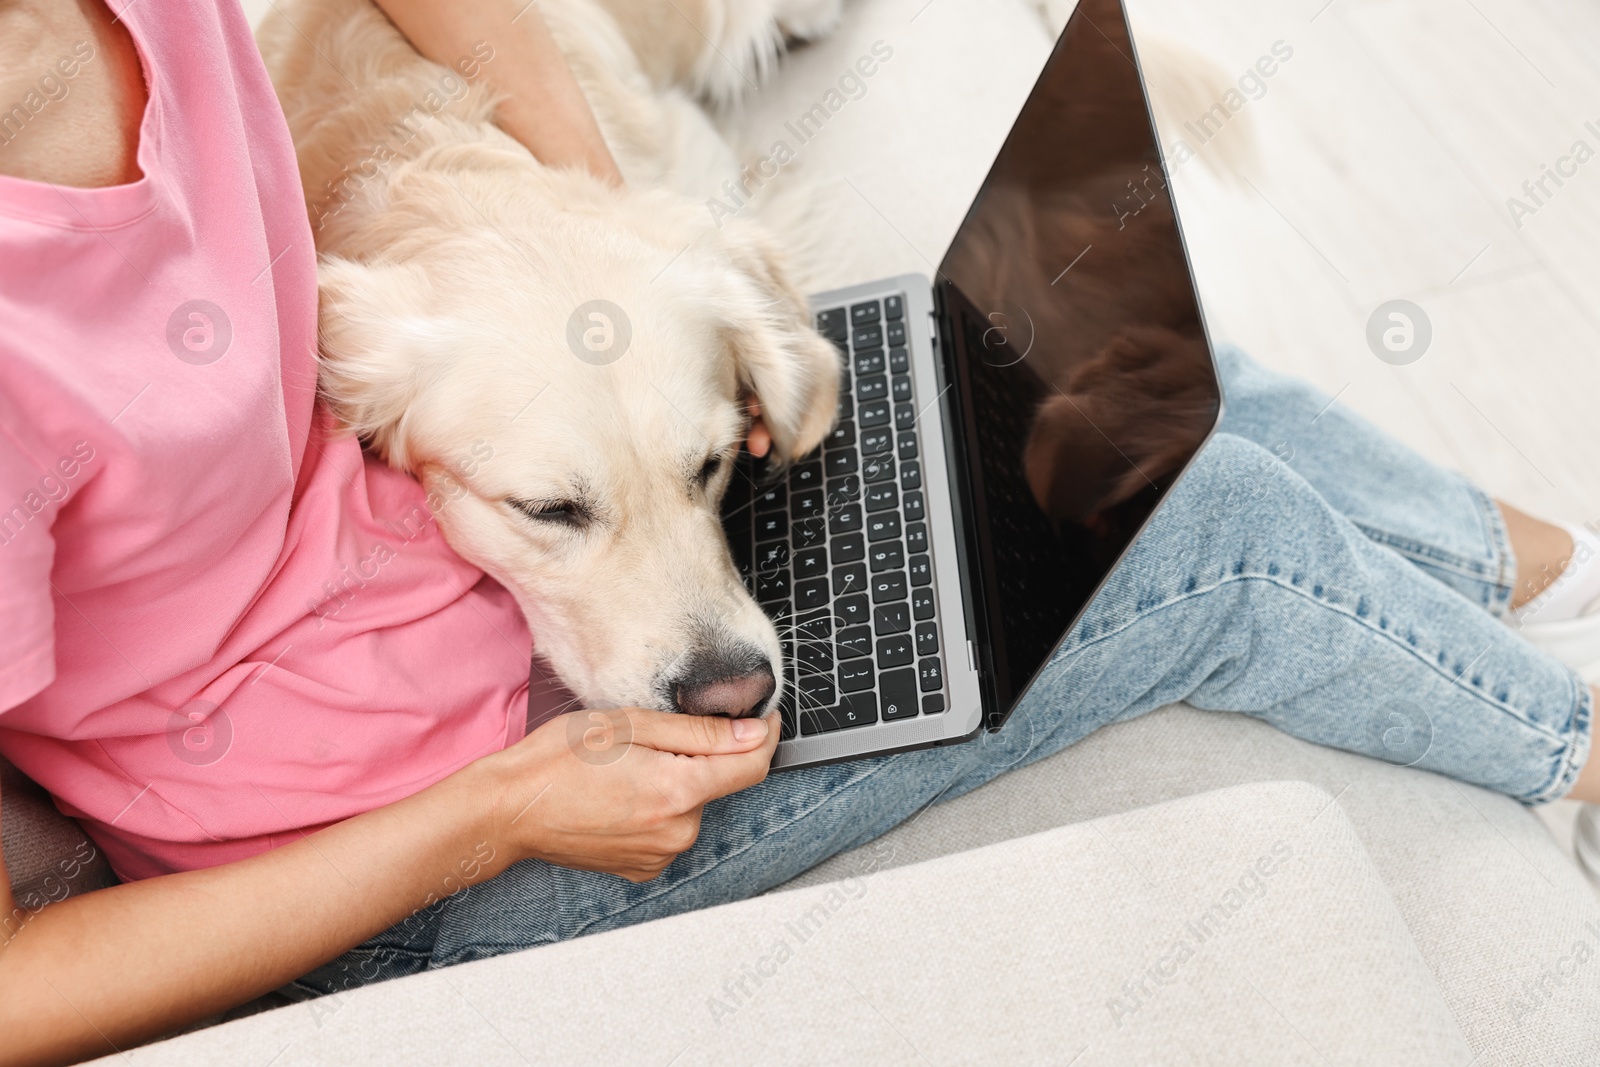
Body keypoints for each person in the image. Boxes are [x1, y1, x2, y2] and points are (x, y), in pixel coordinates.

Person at [0, 1, 1595, 1063]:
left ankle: (1510, 568)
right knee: (1214, 531)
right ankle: (1571, 743)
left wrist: (618, 240)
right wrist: (489, 819)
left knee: (1042, 348)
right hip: (415, 868)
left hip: (475, 639)